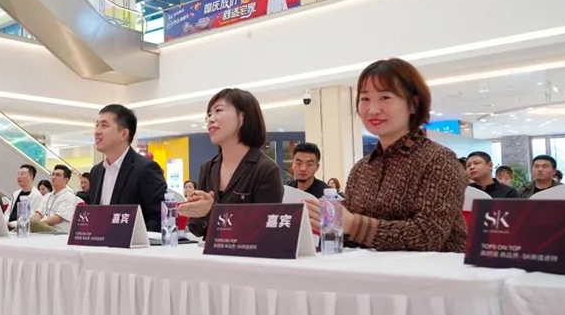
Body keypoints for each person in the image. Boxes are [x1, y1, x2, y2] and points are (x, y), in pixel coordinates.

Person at [305, 58, 467, 252]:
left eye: (385, 97)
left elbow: (427, 236)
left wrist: (352, 224)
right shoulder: (362, 169)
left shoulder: (439, 160)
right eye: (365, 99)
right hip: (368, 269)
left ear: (413, 104)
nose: (373, 109)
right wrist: (327, 222)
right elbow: (349, 234)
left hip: (433, 269)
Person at [179, 88, 283, 238]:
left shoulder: (265, 169)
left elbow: (265, 228)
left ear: (243, 117)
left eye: (218, 110)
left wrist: (212, 210)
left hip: (248, 252)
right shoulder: (208, 168)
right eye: (209, 114)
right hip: (210, 250)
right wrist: (195, 212)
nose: (210, 119)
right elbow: (198, 230)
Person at [88, 104, 168, 233]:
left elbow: (159, 218)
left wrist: (135, 239)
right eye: (97, 125)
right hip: (100, 243)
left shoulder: (146, 169)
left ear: (123, 134)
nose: (97, 131)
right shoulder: (96, 172)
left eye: (104, 125)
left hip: (135, 244)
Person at [32, 165, 81, 234]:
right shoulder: (47, 195)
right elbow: (38, 213)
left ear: (66, 180)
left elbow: (58, 218)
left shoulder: (68, 196)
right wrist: (34, 224)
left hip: (58, 232)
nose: (53, 177)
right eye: (53, 174)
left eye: (58, 175)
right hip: (42, 230)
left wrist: (38, 224)